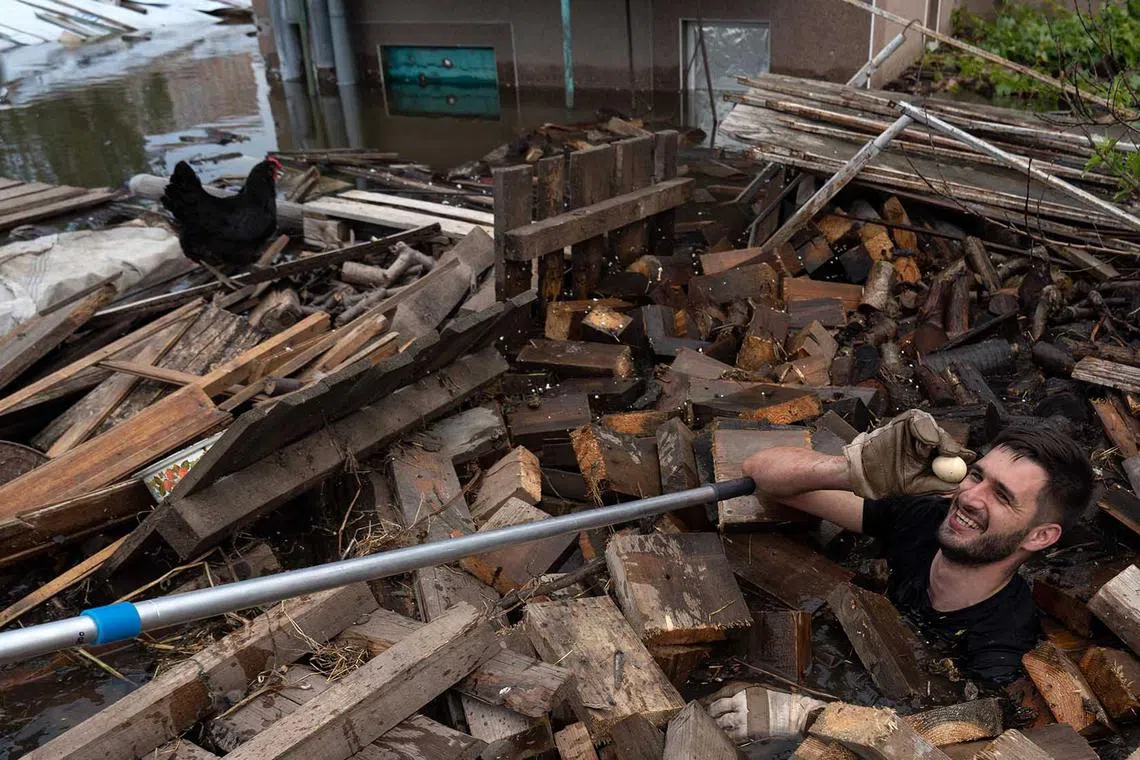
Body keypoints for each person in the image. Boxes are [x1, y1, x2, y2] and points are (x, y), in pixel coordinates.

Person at [709, 411, 1095, 742]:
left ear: (1040, 536)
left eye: (1002, 496)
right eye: (976, 476)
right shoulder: (922, 519)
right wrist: (856, 471)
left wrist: (809, 717)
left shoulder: (1001, 647)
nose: (971, 498)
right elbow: (760, 472)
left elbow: (947, 744)